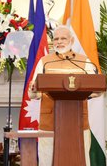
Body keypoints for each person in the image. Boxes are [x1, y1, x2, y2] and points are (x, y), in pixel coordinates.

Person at [28, 25, 98, 166]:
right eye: (56, 39)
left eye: (63, 38)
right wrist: (34, 90)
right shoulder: (45, 61)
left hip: (78, 122)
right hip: (49, 123)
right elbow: (33, 93)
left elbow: (97, 89)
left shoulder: (83, 62)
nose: (59, 42)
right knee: (47, 161)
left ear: (71, 40)